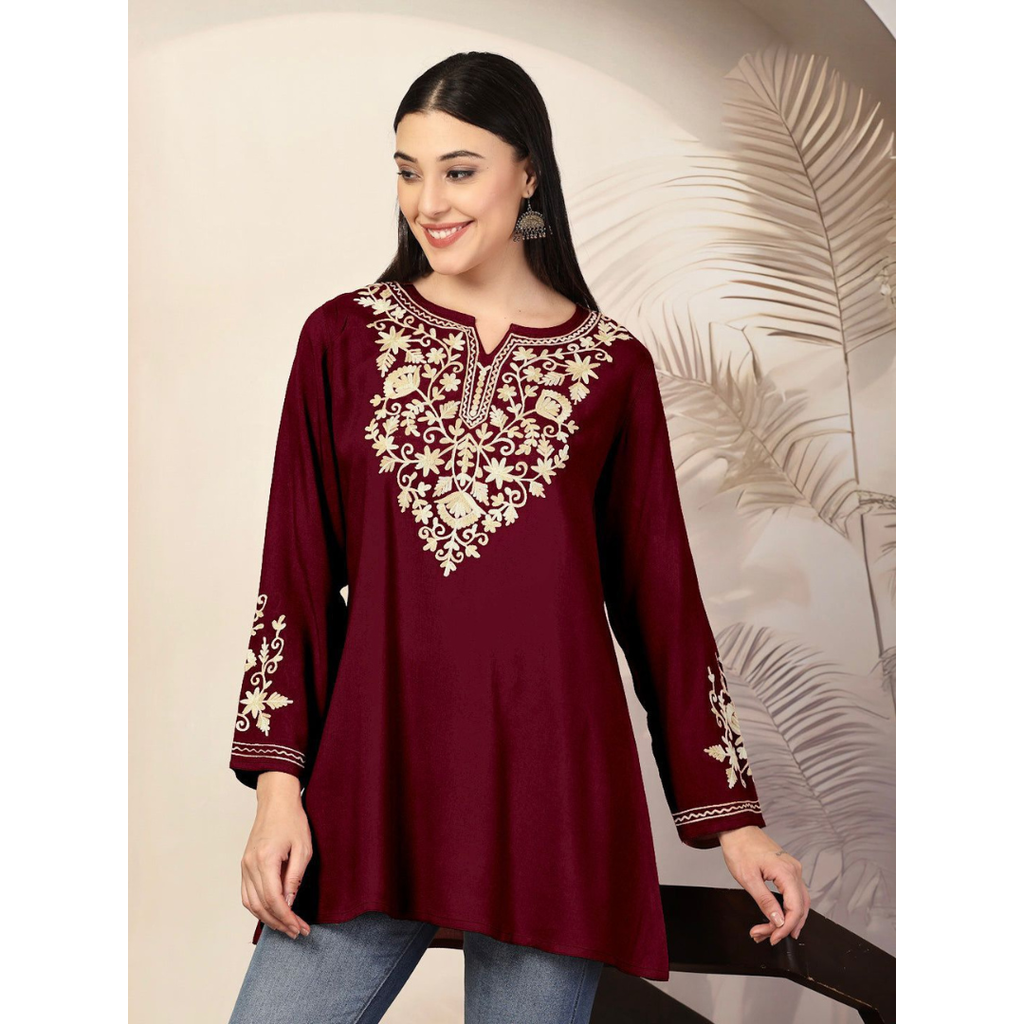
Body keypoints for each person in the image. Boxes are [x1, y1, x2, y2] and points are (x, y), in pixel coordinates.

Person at [226, 51, 810, 1024]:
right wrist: (278, 790)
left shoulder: (612, 367)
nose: (429, 201)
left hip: (556, 804)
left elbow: (660, 602)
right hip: (375, 785)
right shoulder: (343, 339)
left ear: (527, 172)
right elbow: (294, 575)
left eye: (459, 170)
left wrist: (734, 822)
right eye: (408, 171)